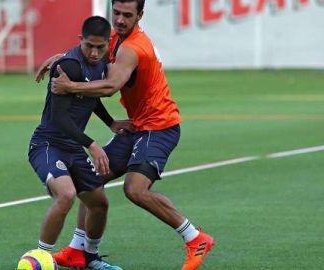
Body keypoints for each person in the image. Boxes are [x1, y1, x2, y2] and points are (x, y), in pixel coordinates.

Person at [36, 1, 214, 269]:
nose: (119, 19)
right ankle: (78, 249)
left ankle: (195, 237)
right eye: (116, 13)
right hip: (136, 126)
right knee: (92, 181)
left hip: (159, 126)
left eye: (127, 15)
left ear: (140, 16)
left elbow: (110, 86)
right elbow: (93, 51)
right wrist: (63, 57)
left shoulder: (134, 48)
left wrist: (69, 86)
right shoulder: (115, 37)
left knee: (135, 189)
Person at [28, 16, 132, 270]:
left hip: (72, 147)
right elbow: (59, 117)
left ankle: (90, 258)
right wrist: (92, 144)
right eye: (89, 47)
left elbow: (88, 96)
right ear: (80, 41)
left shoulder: (101, 62)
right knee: (66, 195)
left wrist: (110, 122)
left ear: (108, 43)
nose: (95, 53)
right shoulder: (68, 67)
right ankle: (40, 257)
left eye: (100, 47)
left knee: (99, 203)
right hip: (48, 144)